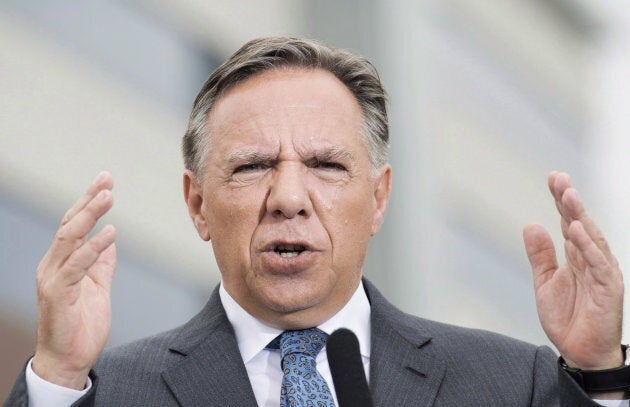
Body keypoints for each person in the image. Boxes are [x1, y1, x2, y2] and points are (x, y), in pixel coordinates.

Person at [3, 37, 628, 406]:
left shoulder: (512, 384)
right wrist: (56, 376)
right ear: (197, 204)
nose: (289, 198)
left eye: (326, 164)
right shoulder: (105, 393)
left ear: (378, 198)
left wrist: (599, 371)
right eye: (252, 167)